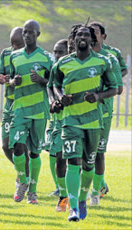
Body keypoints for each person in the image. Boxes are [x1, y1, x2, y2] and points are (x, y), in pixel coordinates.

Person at [50, 24, 117, 221]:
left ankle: (81, 199)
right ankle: (73, 208)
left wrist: (97, 96)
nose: (82, 37)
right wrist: (59, 97)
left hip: (94, 122)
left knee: (88, 166)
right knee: (73, 162)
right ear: (73, 39)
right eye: (78, 34)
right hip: (70, 120)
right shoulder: (63, 63)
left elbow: (115, 88)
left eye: (86, 35)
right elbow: (53, 85)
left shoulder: (102, 62)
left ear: (92, 40)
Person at [8, 20, 53, 204]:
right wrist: (13, 82)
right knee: (16, 146)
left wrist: (42, 80)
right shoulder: (15, 56)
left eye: (31, 32)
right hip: (19, 108)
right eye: (25, 32)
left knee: (35, 152)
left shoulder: (46, 57)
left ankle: (32, 191)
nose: (26, 35)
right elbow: (10, 78)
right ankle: (22, 181)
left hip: (39, 111)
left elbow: (55, 82)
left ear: (38, 35)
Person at [88, 21, 128, 199]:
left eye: (95, 32)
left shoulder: (111, 56)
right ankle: (99, 185)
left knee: (98, 153)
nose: (92, 35)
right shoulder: (81, 56)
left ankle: (96, 191)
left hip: (103, 110)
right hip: (82, 112)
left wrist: (110, 79)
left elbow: (121, 76)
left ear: (103, 36)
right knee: (83, 153)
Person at [0, 27, 25, 170]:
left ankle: (25, 179)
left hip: (26, 105)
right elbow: (0, 75)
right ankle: (23, 172)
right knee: (6, 146)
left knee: (23, 147)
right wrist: (1, 79)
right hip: (10, 104)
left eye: (18, 44)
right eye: (12, 43)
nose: (14, 47)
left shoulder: (31, 55)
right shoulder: (6, 53)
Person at [46, 39, 69, 212]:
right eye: (55, 52)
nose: (57, 55)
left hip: (71, 120)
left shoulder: (72, 68)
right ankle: (61, 191)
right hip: (55, 120)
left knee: (74, 159)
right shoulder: (55, 68)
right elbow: (50, 88)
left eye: (60, 52)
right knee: (54, 155)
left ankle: (96, 188)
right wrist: (53, 102)